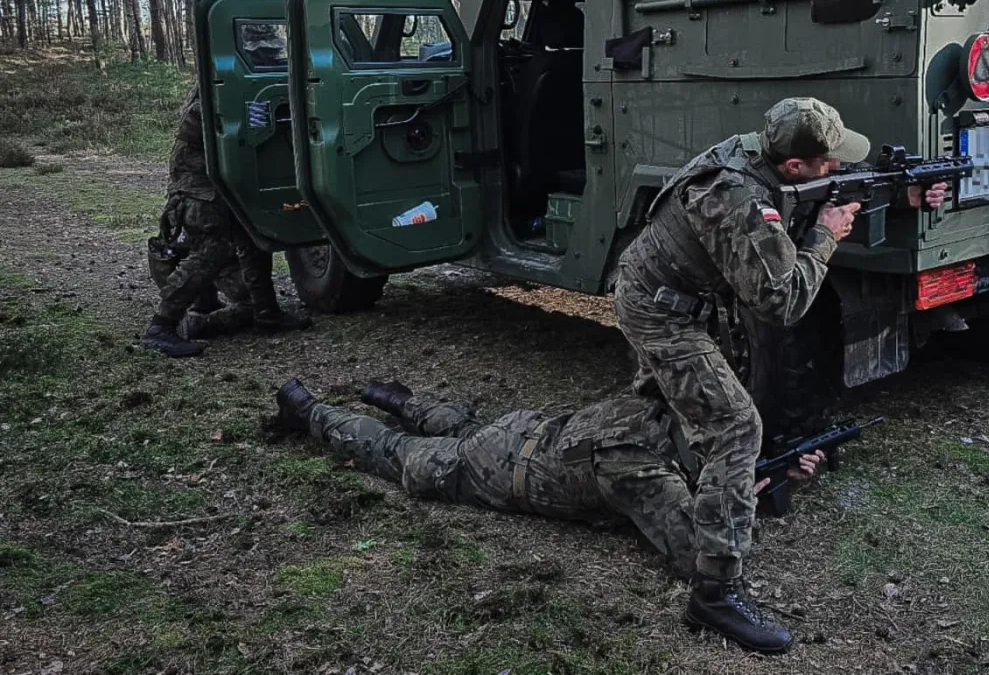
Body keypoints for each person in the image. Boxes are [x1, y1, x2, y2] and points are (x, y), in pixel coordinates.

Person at [612, 97, 949, 651]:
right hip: (659, 310)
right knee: (735, 426)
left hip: (690, 298)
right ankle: (715, 594)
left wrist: (905, 195)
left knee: (689, 410)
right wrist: (826, 236)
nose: (838, 166)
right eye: (827, 161)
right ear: (794, 165)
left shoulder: (765, 153)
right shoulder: (734, 195)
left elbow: (836, 185)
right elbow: (782, 302)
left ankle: (669, 481)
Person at [270, 378, 823, 597]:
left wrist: (766, 474)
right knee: (400, 455)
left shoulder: (666, 408)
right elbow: (700, 555)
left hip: (526, 429)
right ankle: (310, 411)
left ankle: (395, 398)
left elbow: (700, 469)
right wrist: (742, 494)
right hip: (500, 469)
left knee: (464, 427)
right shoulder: (642, 470)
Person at [141, 82, 309, 357]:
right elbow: (197, 129)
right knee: (212, 250)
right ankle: (161, 326)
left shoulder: (234, 80)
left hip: (227, 181)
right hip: (200, 186)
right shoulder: (215, 84)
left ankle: (267, 312)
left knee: (255, 239)